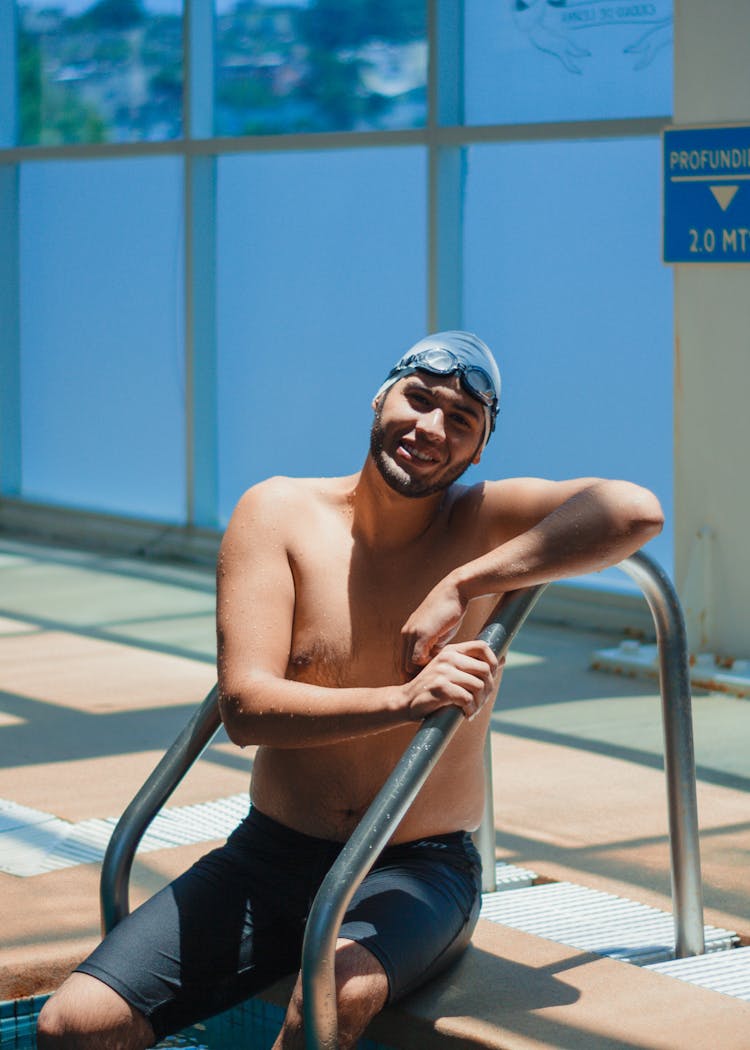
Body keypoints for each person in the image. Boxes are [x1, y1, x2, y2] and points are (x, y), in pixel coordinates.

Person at [37, 331, 663, 1050]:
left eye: (461, 421)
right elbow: (246, 709)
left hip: (419, 870)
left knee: (328, 1003)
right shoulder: (278, 514)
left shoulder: (482, 521)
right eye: (419, 400)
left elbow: (634, 510)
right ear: (380, 398)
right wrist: (405, 700)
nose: (432, 428)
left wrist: (466, 582)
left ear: (478, 450)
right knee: (71, 1025)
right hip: (270, 855)